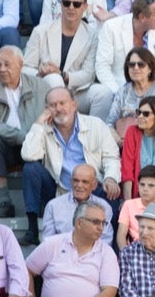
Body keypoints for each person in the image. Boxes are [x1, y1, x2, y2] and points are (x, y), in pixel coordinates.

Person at [19, 85, 122, 244]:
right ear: (47, 109)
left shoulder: (96, 124)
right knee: (30, 168)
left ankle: (110, 247)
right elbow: (28, 154)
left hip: (92, 186)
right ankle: (32, 228)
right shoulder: (43, 129)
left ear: (74, 105)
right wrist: (39, 123)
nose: (58, 109)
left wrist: (110, 178)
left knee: (112, 193)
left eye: (62, 103)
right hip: (59, 187)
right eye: (53, 105)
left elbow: (111, 157)